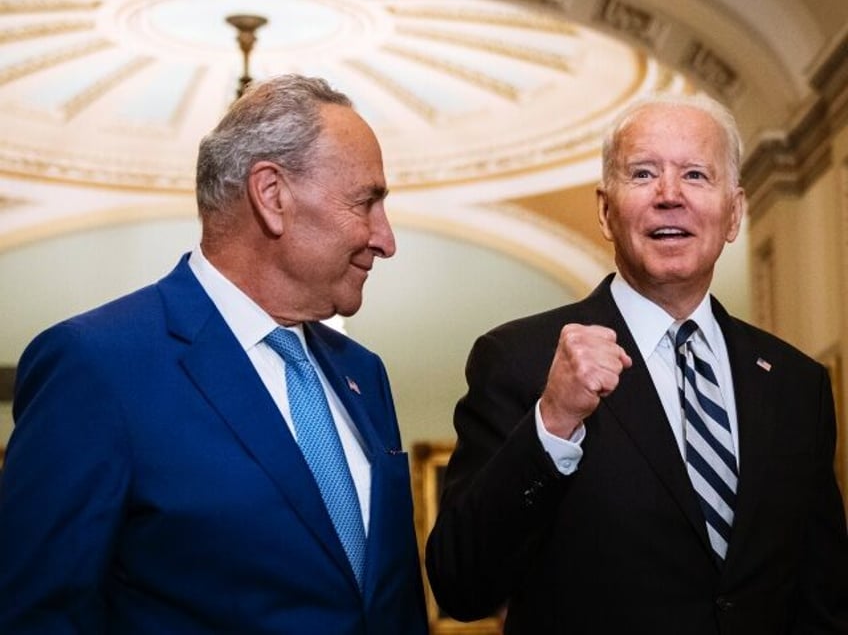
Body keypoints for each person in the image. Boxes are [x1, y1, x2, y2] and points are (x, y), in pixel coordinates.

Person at [0, 74, 428, 634]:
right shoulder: (95, 366)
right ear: (272, 196)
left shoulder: (362, 374)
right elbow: (37, 616)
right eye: (366, 203)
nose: (386, 238)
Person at [425, 92, 848, 633]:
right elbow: (461, 583)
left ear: (735, 212)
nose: (669, 196)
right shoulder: (519, 361)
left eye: (696, 175)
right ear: (606, 210)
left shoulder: (795, 385)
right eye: (643, 173)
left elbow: (824, 599)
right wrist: (553, 423)